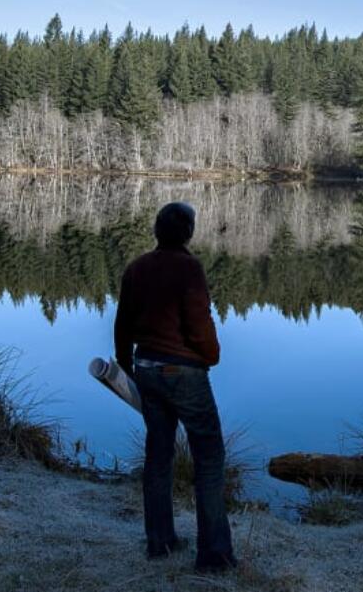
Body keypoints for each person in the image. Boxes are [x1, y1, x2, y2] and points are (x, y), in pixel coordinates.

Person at [113, 201, 237, 572]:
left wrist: (126, 365)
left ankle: (160, 542)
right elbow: (200, 322)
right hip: (183, 373)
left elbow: (122, 324)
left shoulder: (136, 268)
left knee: (158, 455)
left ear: (156, 230)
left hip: (146, 367)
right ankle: (214, 556)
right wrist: (211, 355)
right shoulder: (188, 268)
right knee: (209, 457)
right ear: (188, 232)